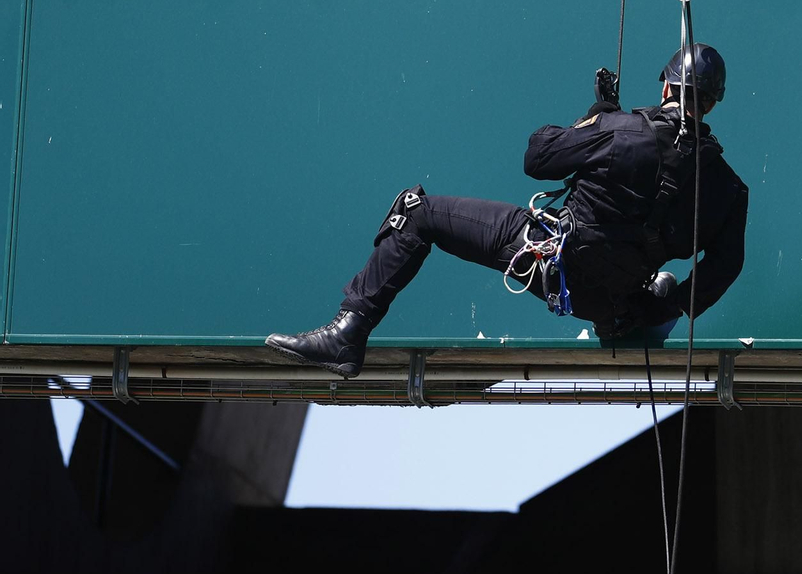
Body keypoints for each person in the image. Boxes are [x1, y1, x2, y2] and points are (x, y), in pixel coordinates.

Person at [266, 44, 750, 378]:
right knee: (655, 283)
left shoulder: (620, 130)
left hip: (552, 263)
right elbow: (726, 267)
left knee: (417, 213)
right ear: (711, 104)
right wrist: (667, 305)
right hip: (612, 303)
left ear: (666, 88)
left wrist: (599, 114)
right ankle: (635, 314)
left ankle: (349, 332)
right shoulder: (729, 189)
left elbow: (537, 157)